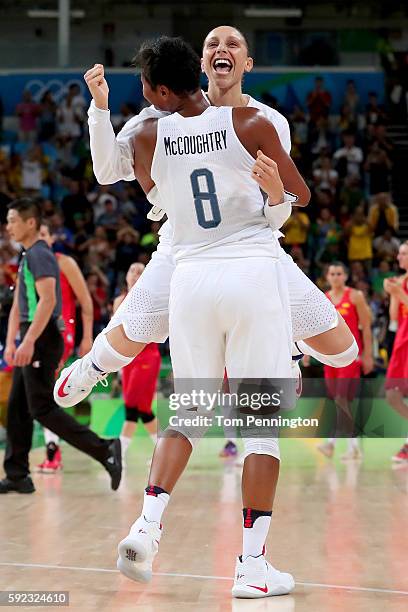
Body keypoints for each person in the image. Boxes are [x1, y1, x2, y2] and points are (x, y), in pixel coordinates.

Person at [55, 25, 357, 414]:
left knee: (344, 352)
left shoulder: (266, 121)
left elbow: (289, 199)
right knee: (125, 338)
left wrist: (278, 196)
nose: (222, 48)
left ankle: (289, 347)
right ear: (200, 64)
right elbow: (108, 170)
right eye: (212, 43)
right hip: (182, 248)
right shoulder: (157, 121)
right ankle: (89, 368)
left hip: (252, 248)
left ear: (246, 63)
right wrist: (99, 109)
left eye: (233, 44)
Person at [113, 35, 304, 598]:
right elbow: (300, 194)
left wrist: (104, 113)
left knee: (187, 414)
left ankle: (146, 527)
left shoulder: (150, 132)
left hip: (189, 279)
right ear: (201, 68)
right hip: (248, 274)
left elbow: (146, 192)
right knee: (259, 429)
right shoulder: (251, 122)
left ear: (159, 89)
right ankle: (251, 565)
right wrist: (275, 192)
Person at [0, 198, 121, 494]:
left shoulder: (41, 255)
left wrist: (28, 340)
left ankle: (104, 449)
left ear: (31, 223)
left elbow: (49, 301)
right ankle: (17, 474)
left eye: (13, 220)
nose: (8, 226)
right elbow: (20, 303)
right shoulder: (29, 256)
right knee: (18, 406)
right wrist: (13, 341)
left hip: (42, 337)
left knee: (41, 407)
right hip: (33, 334)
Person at [36, 221, 94, 473]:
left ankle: (53, 452)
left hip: (62, 334)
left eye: (43, 234)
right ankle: (54, 450)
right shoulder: (29, 266)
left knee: (46, 395)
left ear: (51, 238)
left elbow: (85, 301)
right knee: (41, 395)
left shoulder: (64, 263)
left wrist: (87, 337)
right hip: (38, 333)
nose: (39, 238)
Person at [318, 262, 374, 460]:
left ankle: (332, 443)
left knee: (342, 399)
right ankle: (353, 446)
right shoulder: (324, 298)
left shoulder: (355, 296)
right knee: (339, 401)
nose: (335, 277)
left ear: (346, 276)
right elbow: (317, 330)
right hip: (329, 358)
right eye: (332, 273)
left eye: (339, 273)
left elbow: (366, 326)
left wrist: (368, 355)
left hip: (351, 357)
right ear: (327, 277)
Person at [112, 263, 161, 466]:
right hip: (127, 359)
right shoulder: (118, 301)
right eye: (132, 270)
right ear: (126, 276)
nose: (135, 274)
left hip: (147, 357)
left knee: (132, 404)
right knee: (143, 409)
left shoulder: (151, 299)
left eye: (140, 272)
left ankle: (119, 454)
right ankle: (162, 451)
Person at [384, 242, 408, 463]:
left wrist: (398, 292)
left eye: (403, 253)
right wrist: (392, 293)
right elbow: (393, 318)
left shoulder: (402, 286)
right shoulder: (401, 282)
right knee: (392, 395)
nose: (399, 257)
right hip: (402, 340)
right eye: (399, 253)